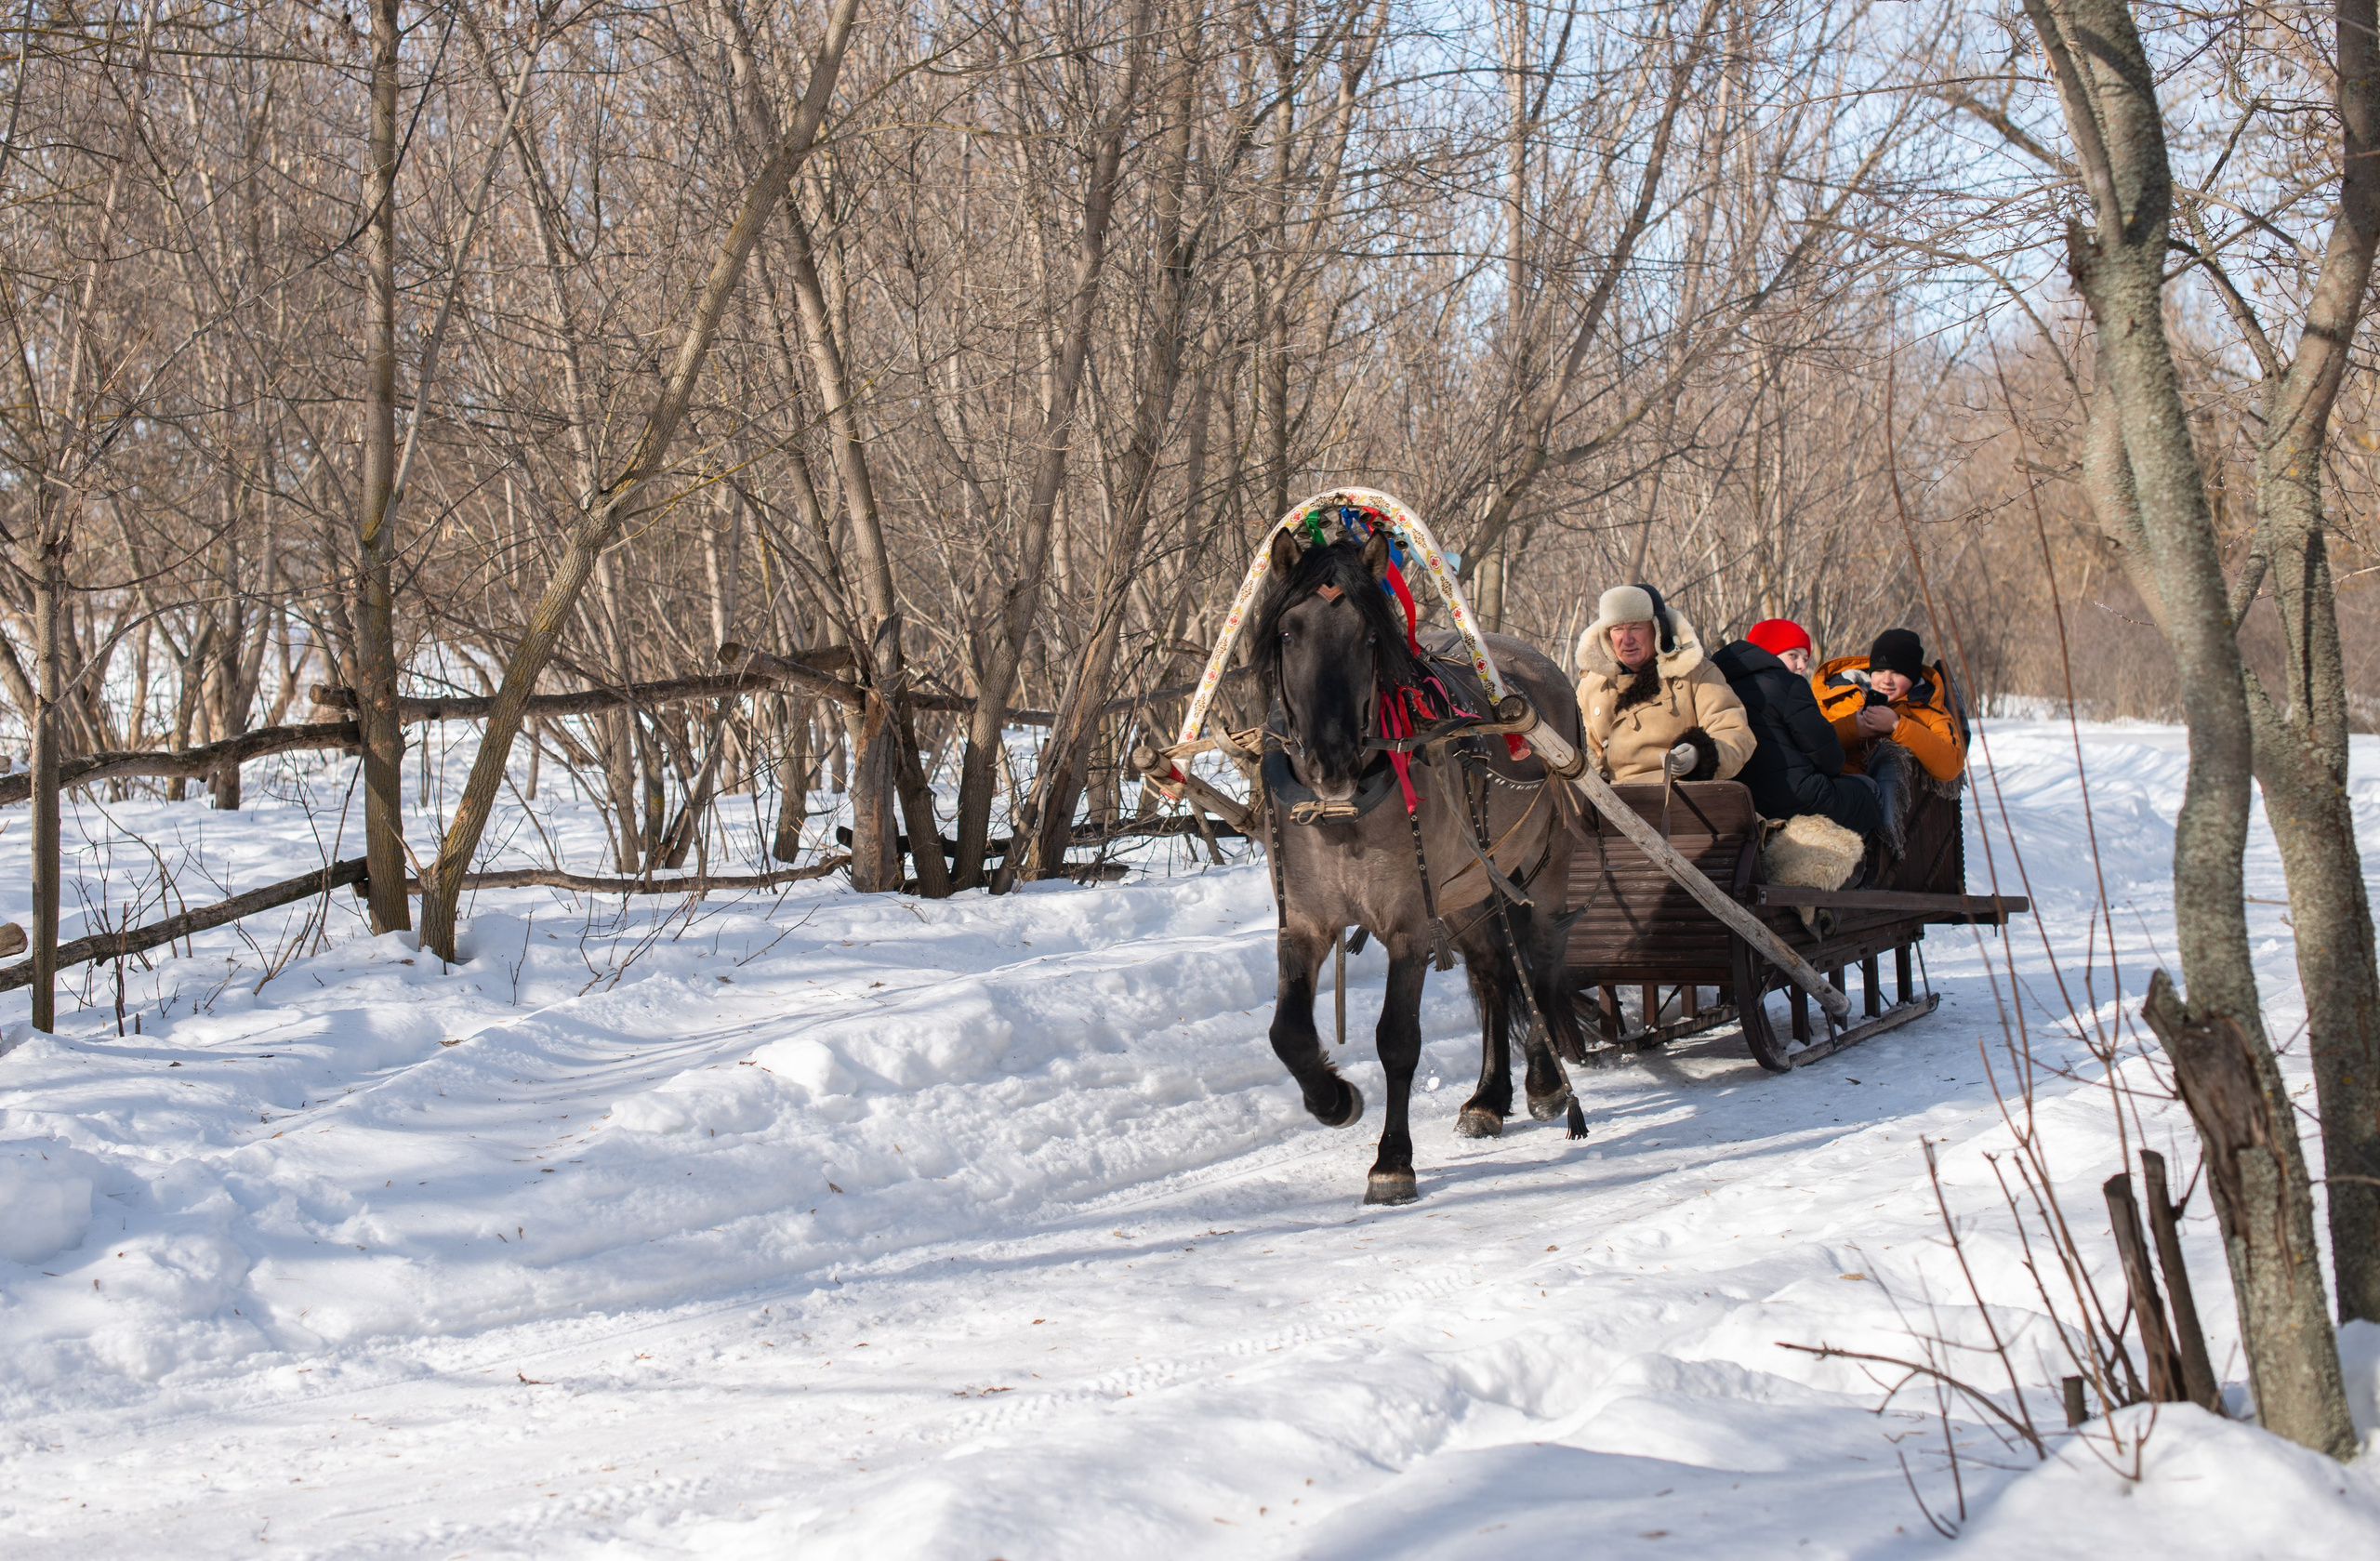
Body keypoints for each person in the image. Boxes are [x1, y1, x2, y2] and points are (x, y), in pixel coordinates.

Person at [1711, 618, 1883, 837]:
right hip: (1796, 801)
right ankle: (1861, 868)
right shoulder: (1787, 684)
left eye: (1805, 658)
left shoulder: (1718, 686)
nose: (1802, 665)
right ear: (1766, 653)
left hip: (1740, 804)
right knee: (1869, 789)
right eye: (1793, 655)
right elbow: (1831, 760)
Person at [1573, 583, 1753, 785]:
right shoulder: (1592, 685)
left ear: (1658, 630)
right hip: (1609, 797)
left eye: (1635, 628)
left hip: (1681, 794)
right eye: (1617, 629)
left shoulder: (1695, 673)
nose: (1626, 639)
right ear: (1607, 636)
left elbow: (1734, 734)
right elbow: (1578, 742)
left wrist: (1698, 755)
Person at [1812, 628, 1967, 783]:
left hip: (1877, 794)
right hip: (1824, 786)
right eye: (1879, 671)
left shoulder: (1930, 708)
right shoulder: (1837, 695)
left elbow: (1951, 765)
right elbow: (1809, 745)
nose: (1886, 680)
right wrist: (1854, 727)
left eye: (1897, 673)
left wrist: (1897, 726)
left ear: (1913, 677)